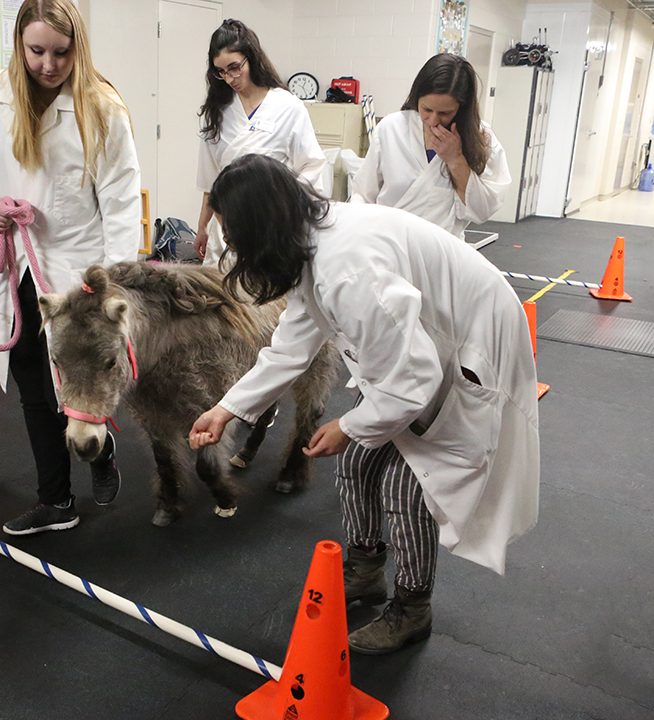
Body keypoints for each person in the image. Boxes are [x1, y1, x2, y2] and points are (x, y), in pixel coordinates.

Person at [189, 154, 539, 654]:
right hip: (423, 347)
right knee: (357, 463)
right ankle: (366, 573)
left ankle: (412, 607)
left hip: (470, 340)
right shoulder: (310, 242)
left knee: (407, 484)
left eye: (235, 235)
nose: (236, 248)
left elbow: (413, 377)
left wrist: (349, 425)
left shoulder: (347, 269)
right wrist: (228, 409)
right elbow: (292, 344)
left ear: (260, 227)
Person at [0, 0, 142, 536]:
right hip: (15, 262)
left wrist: (115, 287)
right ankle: (56, 501)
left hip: (76, 272)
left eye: (61, 53)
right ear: (18, 44)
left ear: (77, 49)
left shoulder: (101, 107)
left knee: (67, 381)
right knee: (30, 382)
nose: (48, 64)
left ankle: (101, 446)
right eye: (36, 51)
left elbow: (121, 200)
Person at [194, 19, 326, 264]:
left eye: (234, 67)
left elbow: (312, 164)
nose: (230, 78)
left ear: (251, 58)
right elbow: (210, 180)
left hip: (271, 225)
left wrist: (284, 202)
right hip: (226, 227)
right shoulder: (217, 111)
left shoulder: (287, 107)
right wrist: (202, 225)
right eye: (221, 72)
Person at [350, 53, 510, 240]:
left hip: (442, 250)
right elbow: (363, 194)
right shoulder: (392, 128)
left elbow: (482, 210)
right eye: (426, 109)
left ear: (462, 108)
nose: (433, 120)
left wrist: (455, 159)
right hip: (389, 244)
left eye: (444, 113)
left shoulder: (482, 139)